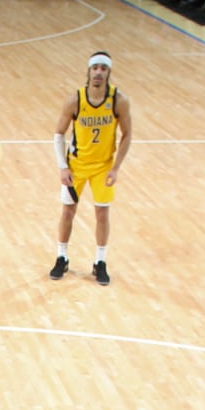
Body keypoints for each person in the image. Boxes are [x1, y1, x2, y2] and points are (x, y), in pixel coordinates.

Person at [49, 50, 131, 287]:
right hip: (77, 166)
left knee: (102, 213)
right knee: (68, 211)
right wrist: (62, 167)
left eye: (103, 69)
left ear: (108, 72)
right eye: (95, 68)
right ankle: (61, 257)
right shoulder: (75, 100)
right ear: (88, 71)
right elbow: (58, 133)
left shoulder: (119, 101)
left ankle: (100, 262)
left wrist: (116, 168)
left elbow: (127, 135)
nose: (98, 72)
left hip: (102, 167)